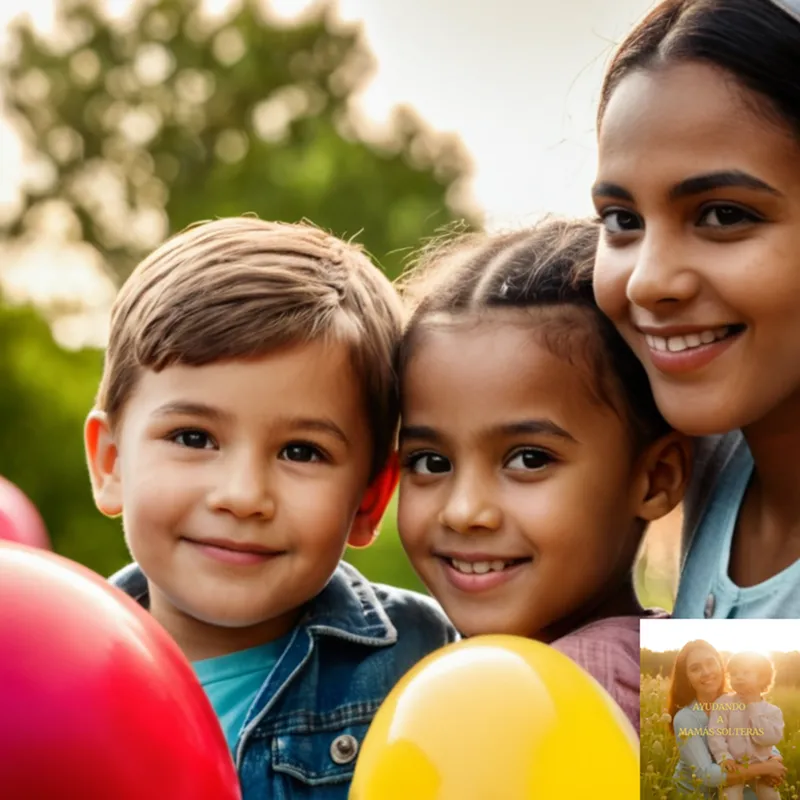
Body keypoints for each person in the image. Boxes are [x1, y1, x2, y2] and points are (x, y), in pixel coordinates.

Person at [83, 217, 456, 799]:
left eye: (301, 451)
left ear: (369, 500)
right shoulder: (48, 672)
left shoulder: (423, 664)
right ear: (110, 463)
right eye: (193, 437)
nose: (243, 496)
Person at [394, 216, 687, 733]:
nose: (465, 511)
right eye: (430, 462)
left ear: (656, 478)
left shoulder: (560, 691)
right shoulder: (693, 672)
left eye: (529, 459)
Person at [591, 0, 800, 618]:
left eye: (723, 215)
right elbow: (716, 722)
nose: (648, 282)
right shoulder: (724, 465)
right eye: (622, 220)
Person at [668, 641, 786, 798]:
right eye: (695, 668)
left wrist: (775, 759)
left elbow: (757, 738)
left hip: (737, 782)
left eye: (711, 663)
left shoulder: (739, 700)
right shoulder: (685, 718)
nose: (706, 672)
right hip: (698, 793)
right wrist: (764, 768)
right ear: (687, 677)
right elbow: (706, 775)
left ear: (721, 666)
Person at [708, 652, 785, 800]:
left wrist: (753, 706)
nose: (739, 677)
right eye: (734, 673)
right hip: (734, 767)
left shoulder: (772, 711)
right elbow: (716, 733)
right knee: (729, 796)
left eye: (746, 672)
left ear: (762, 677)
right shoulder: (723, 703)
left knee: (771, 796)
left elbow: (767, 739)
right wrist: (724, 757)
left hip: (763, 769)